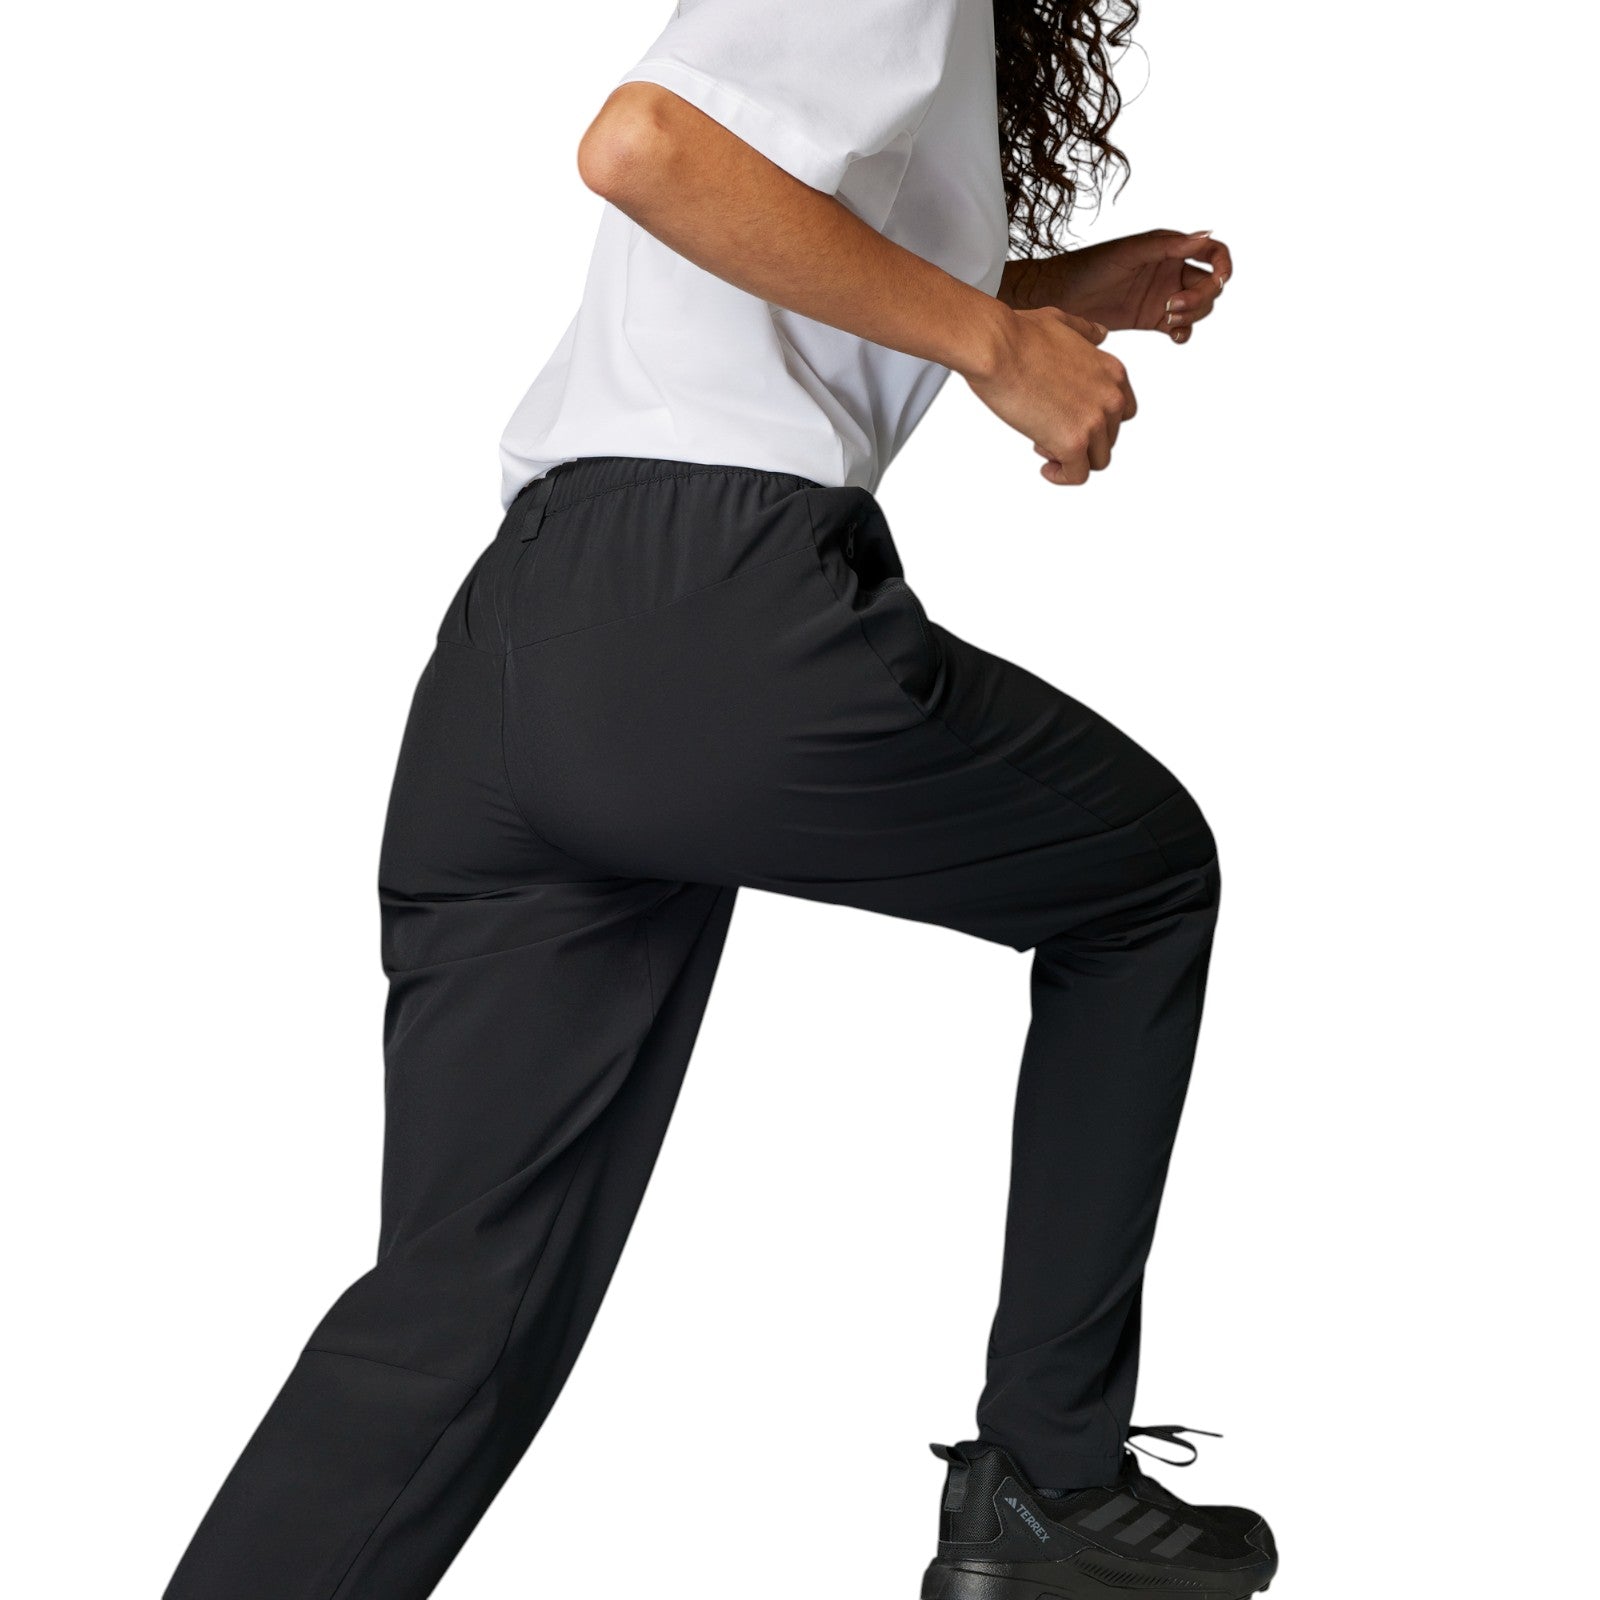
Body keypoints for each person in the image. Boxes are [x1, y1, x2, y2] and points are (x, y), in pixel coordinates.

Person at [164, 3, 1277, 1597]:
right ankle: (1051, 1484)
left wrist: (1039, 294)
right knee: (1142, 878)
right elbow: (647, 148)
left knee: (458, 1319)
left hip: (521, 650)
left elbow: (774, 241)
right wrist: (995, 346)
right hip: (712, 612)